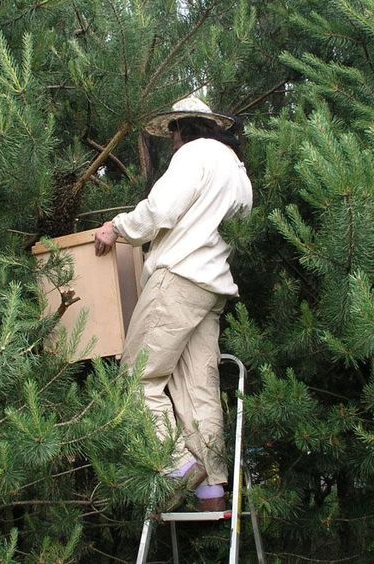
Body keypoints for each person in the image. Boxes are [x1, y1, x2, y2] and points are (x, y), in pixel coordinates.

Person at [94, 96, 253, 511]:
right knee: (198, 388)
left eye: (173, 135)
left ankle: (178, 466)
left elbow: (160, 209)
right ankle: (212, 488)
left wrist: (118, 228)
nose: (172, 143)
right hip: (211, 289)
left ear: (183, 129)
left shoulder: (193, 155)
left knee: (136, 379)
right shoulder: (238, 171)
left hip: (178, 281)